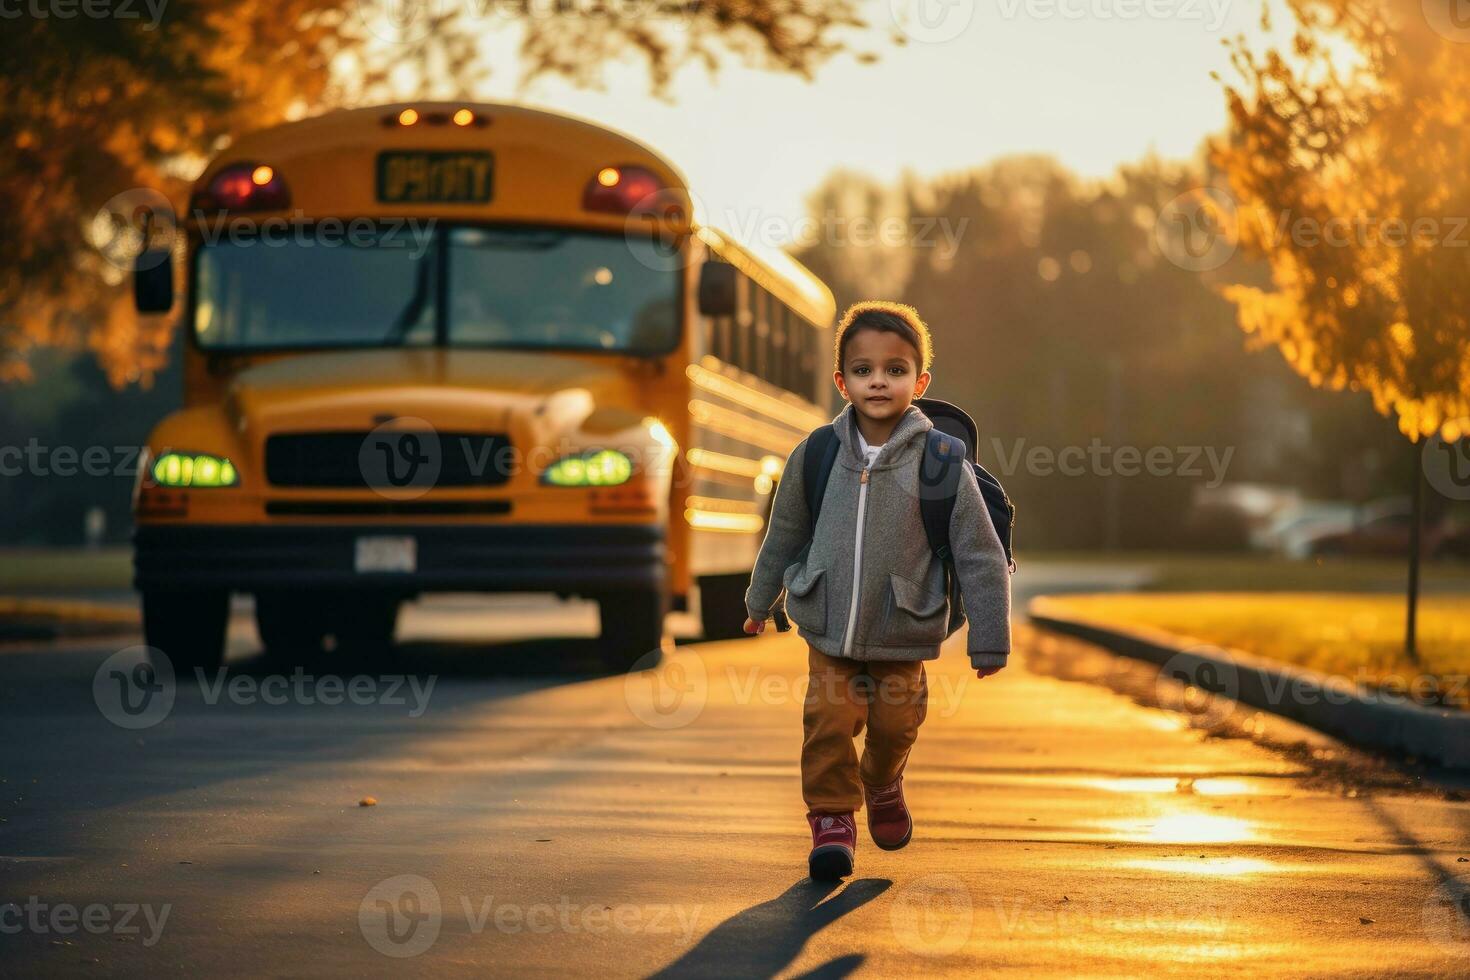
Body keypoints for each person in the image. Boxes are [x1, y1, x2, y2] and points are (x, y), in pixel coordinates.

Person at [741, 300, 1012, 881]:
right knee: (828, 720)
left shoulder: (942, 462)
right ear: (843, 382)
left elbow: (979, 553)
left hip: (903, 627)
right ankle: (833, 820)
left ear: (921, 380)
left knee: (894, 726)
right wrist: (759, 601)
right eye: (863, 370)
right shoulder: (816, 453)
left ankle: (884, 781)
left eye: (895, 369)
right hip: (828, 624)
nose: (879, 381)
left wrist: (989, 639)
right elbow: (784, 532)